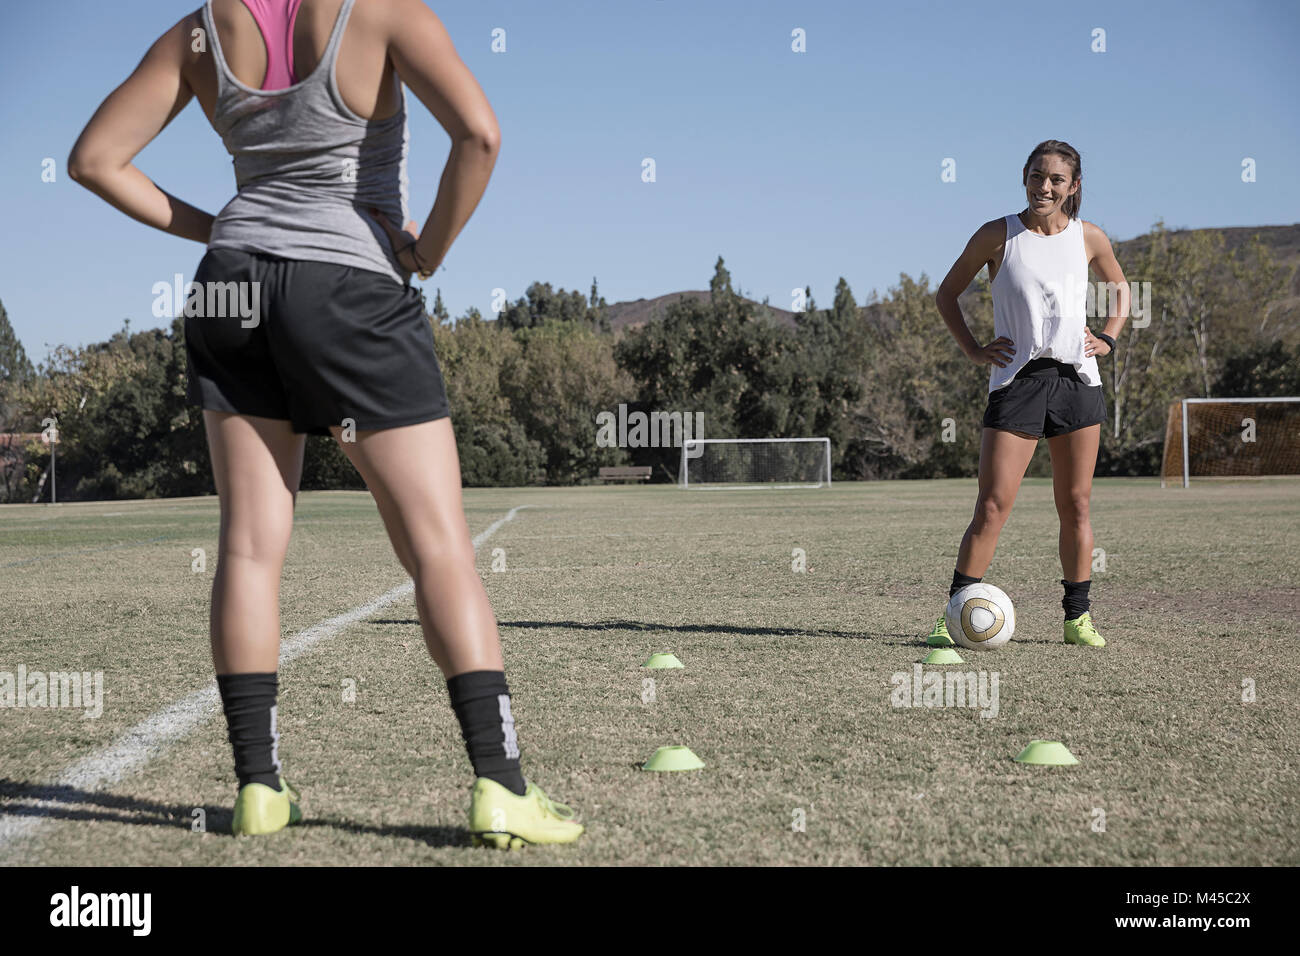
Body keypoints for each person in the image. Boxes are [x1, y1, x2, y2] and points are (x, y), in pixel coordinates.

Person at [68, 0, 582, 847]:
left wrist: (223, 229)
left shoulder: (199, 30)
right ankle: (501, 785)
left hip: (231, 289)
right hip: (346, 288)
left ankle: (259, 792)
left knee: (246, 547)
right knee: (437, 545)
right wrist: (425, 255)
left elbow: (93, 160)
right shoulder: (381, 10)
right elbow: (480, 136)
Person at [928, 140, 1129, 649]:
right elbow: (946, 293)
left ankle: (1077, 618)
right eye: (1037, 175)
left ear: (1073, 187)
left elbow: (1121, 288)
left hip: (1077, 383)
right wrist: (974, 349)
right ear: (1025, 176)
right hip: (1017, 384)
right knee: (993, 505)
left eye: (1056, 180)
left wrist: (1107, 337)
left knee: (1077, 505)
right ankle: (951, 615)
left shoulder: (1089, 236)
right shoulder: (999, 234)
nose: (1045, 187)